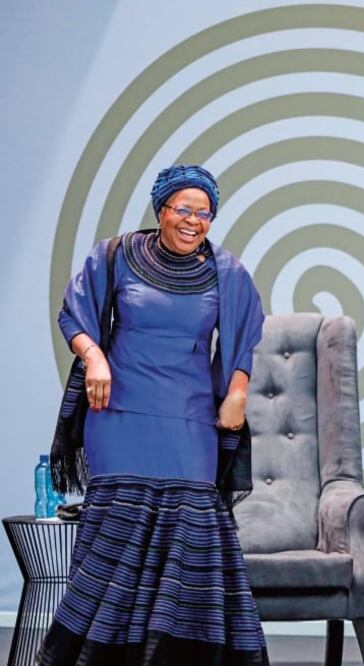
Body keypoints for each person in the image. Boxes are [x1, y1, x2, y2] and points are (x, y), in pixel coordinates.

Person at [38, 165, 269, 664]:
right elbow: (72, 314)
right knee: (116, 542)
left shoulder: (226, 273)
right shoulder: (114, 255)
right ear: (161, 210)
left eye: (204, 213)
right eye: (183, 209)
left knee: (188, 543)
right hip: (119, 414)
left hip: (189, 419)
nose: (194, 221)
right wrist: (94, 356)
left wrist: (238, 391)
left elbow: (247, 335)